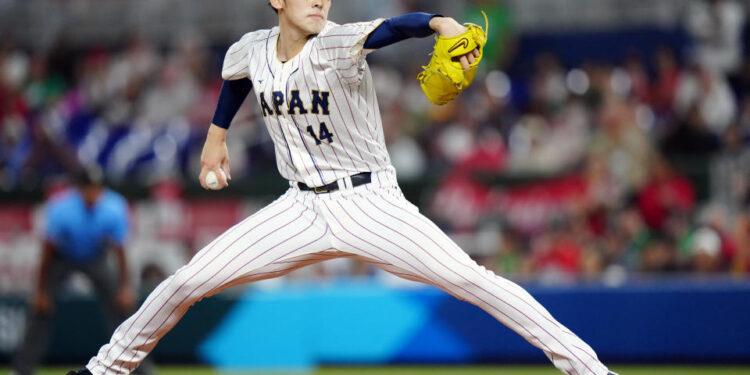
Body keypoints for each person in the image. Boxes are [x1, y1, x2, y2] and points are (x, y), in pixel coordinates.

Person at [68, 1, 616, 374]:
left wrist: (440, 23)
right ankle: (103, 369)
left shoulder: (337, 43)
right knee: (186, 281)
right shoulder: (252, 48)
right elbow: (237, 79)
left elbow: (391, 29)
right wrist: (216, 136)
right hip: (298, 207)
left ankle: (589, 369)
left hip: (370, 203)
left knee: (474, 281)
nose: (320, 2)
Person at [11, 168, 150, 375]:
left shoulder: (113, 206)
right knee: (40, 309)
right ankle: (22, 370)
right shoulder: (62, 207)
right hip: (63, 257)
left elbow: (119, 251)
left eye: (96, 189)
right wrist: (40, 291)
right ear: (79, 189)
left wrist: (124, 287)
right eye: (88, 189)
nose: (92, 193)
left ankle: (140, 369)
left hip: (95, 256)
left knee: (122, 309)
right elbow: (48, 252)